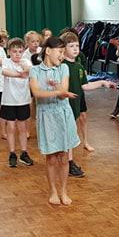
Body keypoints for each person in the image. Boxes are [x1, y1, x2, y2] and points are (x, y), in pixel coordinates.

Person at [29, 36, 79, 206]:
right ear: (48, 51)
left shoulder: (64, 68)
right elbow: (37, 93)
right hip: (47, 116)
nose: (62, 56)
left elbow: (64, 91)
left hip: (63, 114)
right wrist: (58, 91)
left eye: (64, 52)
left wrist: (57, 88)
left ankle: (64, 191)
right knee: (51, 158)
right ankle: (53, 191)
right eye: (60, 52)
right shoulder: (35, 71)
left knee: (64, 157)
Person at [61, 32, 115, 176]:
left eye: (77, 46)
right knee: (67, 134)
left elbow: (85, 86)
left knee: (70, 133)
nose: (75, 49)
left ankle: (68, 162)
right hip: (63, 106)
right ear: (63, 48)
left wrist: (102, 82)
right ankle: (69, 163)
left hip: (75, 105)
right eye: (71, 46)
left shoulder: (79, 67)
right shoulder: (61, 66)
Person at [0, 37, 35, 168]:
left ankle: (24, 153)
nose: (17, 54)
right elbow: (5, 71)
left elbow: (29, 69)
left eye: (20, 51)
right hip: (9, 101)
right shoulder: (6, 61)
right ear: (9, 52)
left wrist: (24, 69)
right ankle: (12, 153)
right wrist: (19, 74)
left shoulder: (26, 61)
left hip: (23, 100)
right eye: (14, 52)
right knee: (11, 128)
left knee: (22, 128)